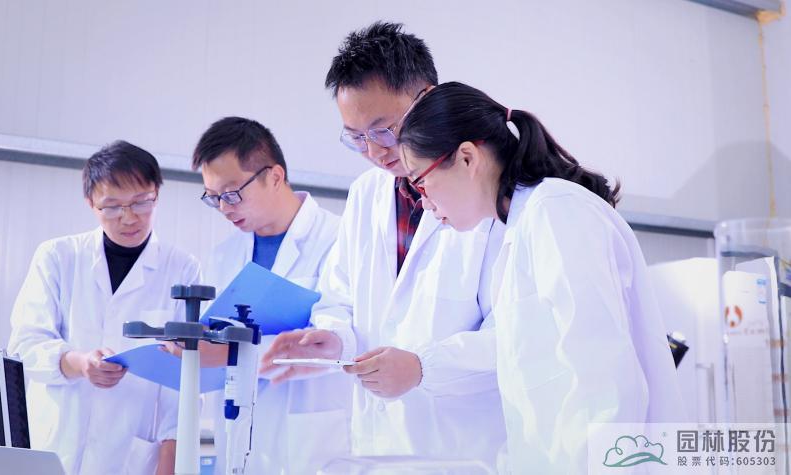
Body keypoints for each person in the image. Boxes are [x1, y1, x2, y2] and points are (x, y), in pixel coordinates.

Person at [396, 81, 686, 473]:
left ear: (466, 158)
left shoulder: (556, 211)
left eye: (419, 182)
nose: (423, 203)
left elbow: (605, 383)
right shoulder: (520, 230)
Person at [260, 22, 507, 468]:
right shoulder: (366, 195)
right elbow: (339, 297)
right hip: (376, 444)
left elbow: (510, 333)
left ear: (427, 99)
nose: (374, 152)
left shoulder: (485, 196)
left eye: (383, 130)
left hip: (463, 449)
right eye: (356, 138)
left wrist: (424, 367)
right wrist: (333, 339)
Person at [167, 117, 350, 474]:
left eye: (232, 193)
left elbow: (340, 339)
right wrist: (192, 350)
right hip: (237, 434)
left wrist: (230, 353)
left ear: (275, 177)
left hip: (312, 438)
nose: (224, 207)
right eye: (214, 198)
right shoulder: (224, 256)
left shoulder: (339, 240)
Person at [8, 141, 200, 475]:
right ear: (91, 203)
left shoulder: (182, 268)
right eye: (112, 207)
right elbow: (24, 344)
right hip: (57, 442)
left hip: (129, 453)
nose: (129, 217)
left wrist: (170, 462)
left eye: (141, 202)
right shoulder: (58, 257)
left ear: (157, 194)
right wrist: (78, 363)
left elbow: (185, 374)